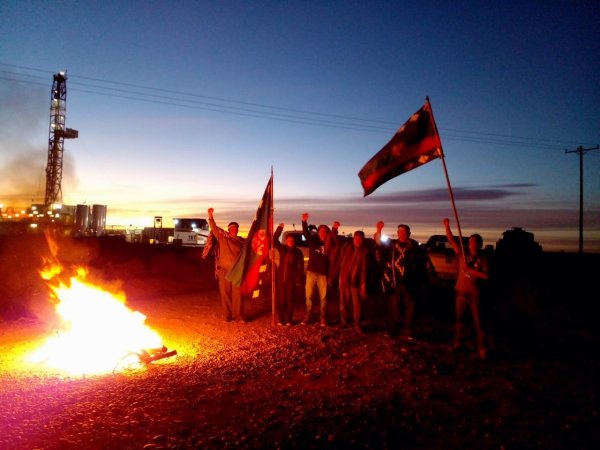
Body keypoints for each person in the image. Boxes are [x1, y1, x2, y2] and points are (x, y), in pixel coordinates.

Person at [443, 218, 490, 359]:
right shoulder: (463, 254)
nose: (472, 244)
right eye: (470, 241)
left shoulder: (483, 259)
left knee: (479, 321)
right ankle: (458, 342)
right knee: (459, 319)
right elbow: (451, 241)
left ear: (480, 244)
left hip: (474, 294)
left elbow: (486, 276)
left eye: (475, 242)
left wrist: (471, 270)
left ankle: (481, 347)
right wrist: (447, 226)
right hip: (461, 292)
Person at [377, 223, 433, 339]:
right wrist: (379, 229)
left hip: (411, 283)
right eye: (399, 232)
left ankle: (409, 330)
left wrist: (425, 279)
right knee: (394, 308)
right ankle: (394, 329)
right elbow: (378, 242)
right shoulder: (391, 245)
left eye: (404, 232)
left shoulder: (416, 248)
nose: (401, 234)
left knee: (411, 308)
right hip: (394, 282)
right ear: (397, 234)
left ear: (409, 234)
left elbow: (425, 264)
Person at [301, 212, 340, 326]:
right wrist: (304, 222)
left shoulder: (330, 244)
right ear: (318, 232)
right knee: (309, 296)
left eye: (325, 231)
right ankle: (308, 316)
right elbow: (305, 233)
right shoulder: (313, 241)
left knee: (324, 298)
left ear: (327, 233)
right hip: (311, 272)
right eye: (321, 231)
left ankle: (323, 318)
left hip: (324, 274)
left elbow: (336, 240)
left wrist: (334, 229)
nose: (323, 233)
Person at [207, 208, 246, 322]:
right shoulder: (223, 238)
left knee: (238, 295)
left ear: (238, 230)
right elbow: (214, 228)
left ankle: (238, 315)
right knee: (225, 294)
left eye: (236, 228)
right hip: (224, 270)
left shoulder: (242, 242)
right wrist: (210, 215)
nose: (234, 230)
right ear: (229, 230)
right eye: (232, 228)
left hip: (237, 272)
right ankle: (227, 315)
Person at [273, 223, 305, 325]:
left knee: (290, 300)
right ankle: (281, 320)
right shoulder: (282, 249)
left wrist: (299, 279)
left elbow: (301, 266)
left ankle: (289, 320)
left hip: (291, 280)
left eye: (292, 240)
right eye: (289, 240)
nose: (291, 241)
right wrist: (279, 228)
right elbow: (274, 239)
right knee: (281, 300)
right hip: (281, 279)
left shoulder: (298, 252)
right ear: (286, 241)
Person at [338, 230, 369, 333]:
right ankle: (344, 322)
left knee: (357, 305)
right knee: (343, 304)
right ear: (353, 239)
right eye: (356, 238)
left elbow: (364, 270)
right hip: (344, 280)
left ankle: (357, 324)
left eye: (360, 239)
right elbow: (340, 263)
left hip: (355, 282)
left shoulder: (364, 252)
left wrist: (363, 285)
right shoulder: (347, 249)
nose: (358, 241)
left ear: (363, 240)